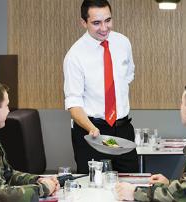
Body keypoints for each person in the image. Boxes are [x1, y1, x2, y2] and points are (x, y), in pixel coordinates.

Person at [63, 0, 138, 173]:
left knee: (130, 184)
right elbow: (74, 104)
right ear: (84, 22)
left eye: (108, 20)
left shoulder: (123, 43)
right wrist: (92, 129)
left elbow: (127, 77)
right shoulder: (75, 56)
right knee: (93, 187)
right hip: (92, 131)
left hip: (123, 128)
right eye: (96, 23)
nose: (104, 28)